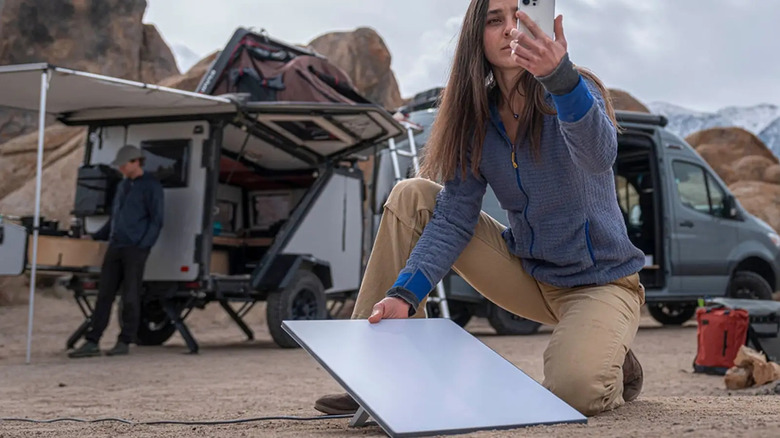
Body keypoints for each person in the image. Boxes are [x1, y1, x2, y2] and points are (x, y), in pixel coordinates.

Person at [314, 0, 646, 417]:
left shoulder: (577, 91)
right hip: (529, 273)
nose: (510, 30)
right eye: (495, 20)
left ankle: (609, 353)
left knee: (574, 392)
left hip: (600, 283)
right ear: (477, 36)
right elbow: (453, 217)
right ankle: (373, 374)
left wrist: (560, 79)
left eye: (520, 18)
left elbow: (599, 156)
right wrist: (404, 293)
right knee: (411, 194)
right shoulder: (475, 117)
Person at [69, 145, 164, 358]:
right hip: (116, 245)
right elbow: (115, 218)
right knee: (105, 294)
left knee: (130, 295)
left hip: (135, 248)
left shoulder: (151, 186)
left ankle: (125, 340)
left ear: (135, 162)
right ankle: (92, 341)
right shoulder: (123, 186)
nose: (121, 168)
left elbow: (157, 220)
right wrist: (96, 236)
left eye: (123, 164)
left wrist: (143, 244)